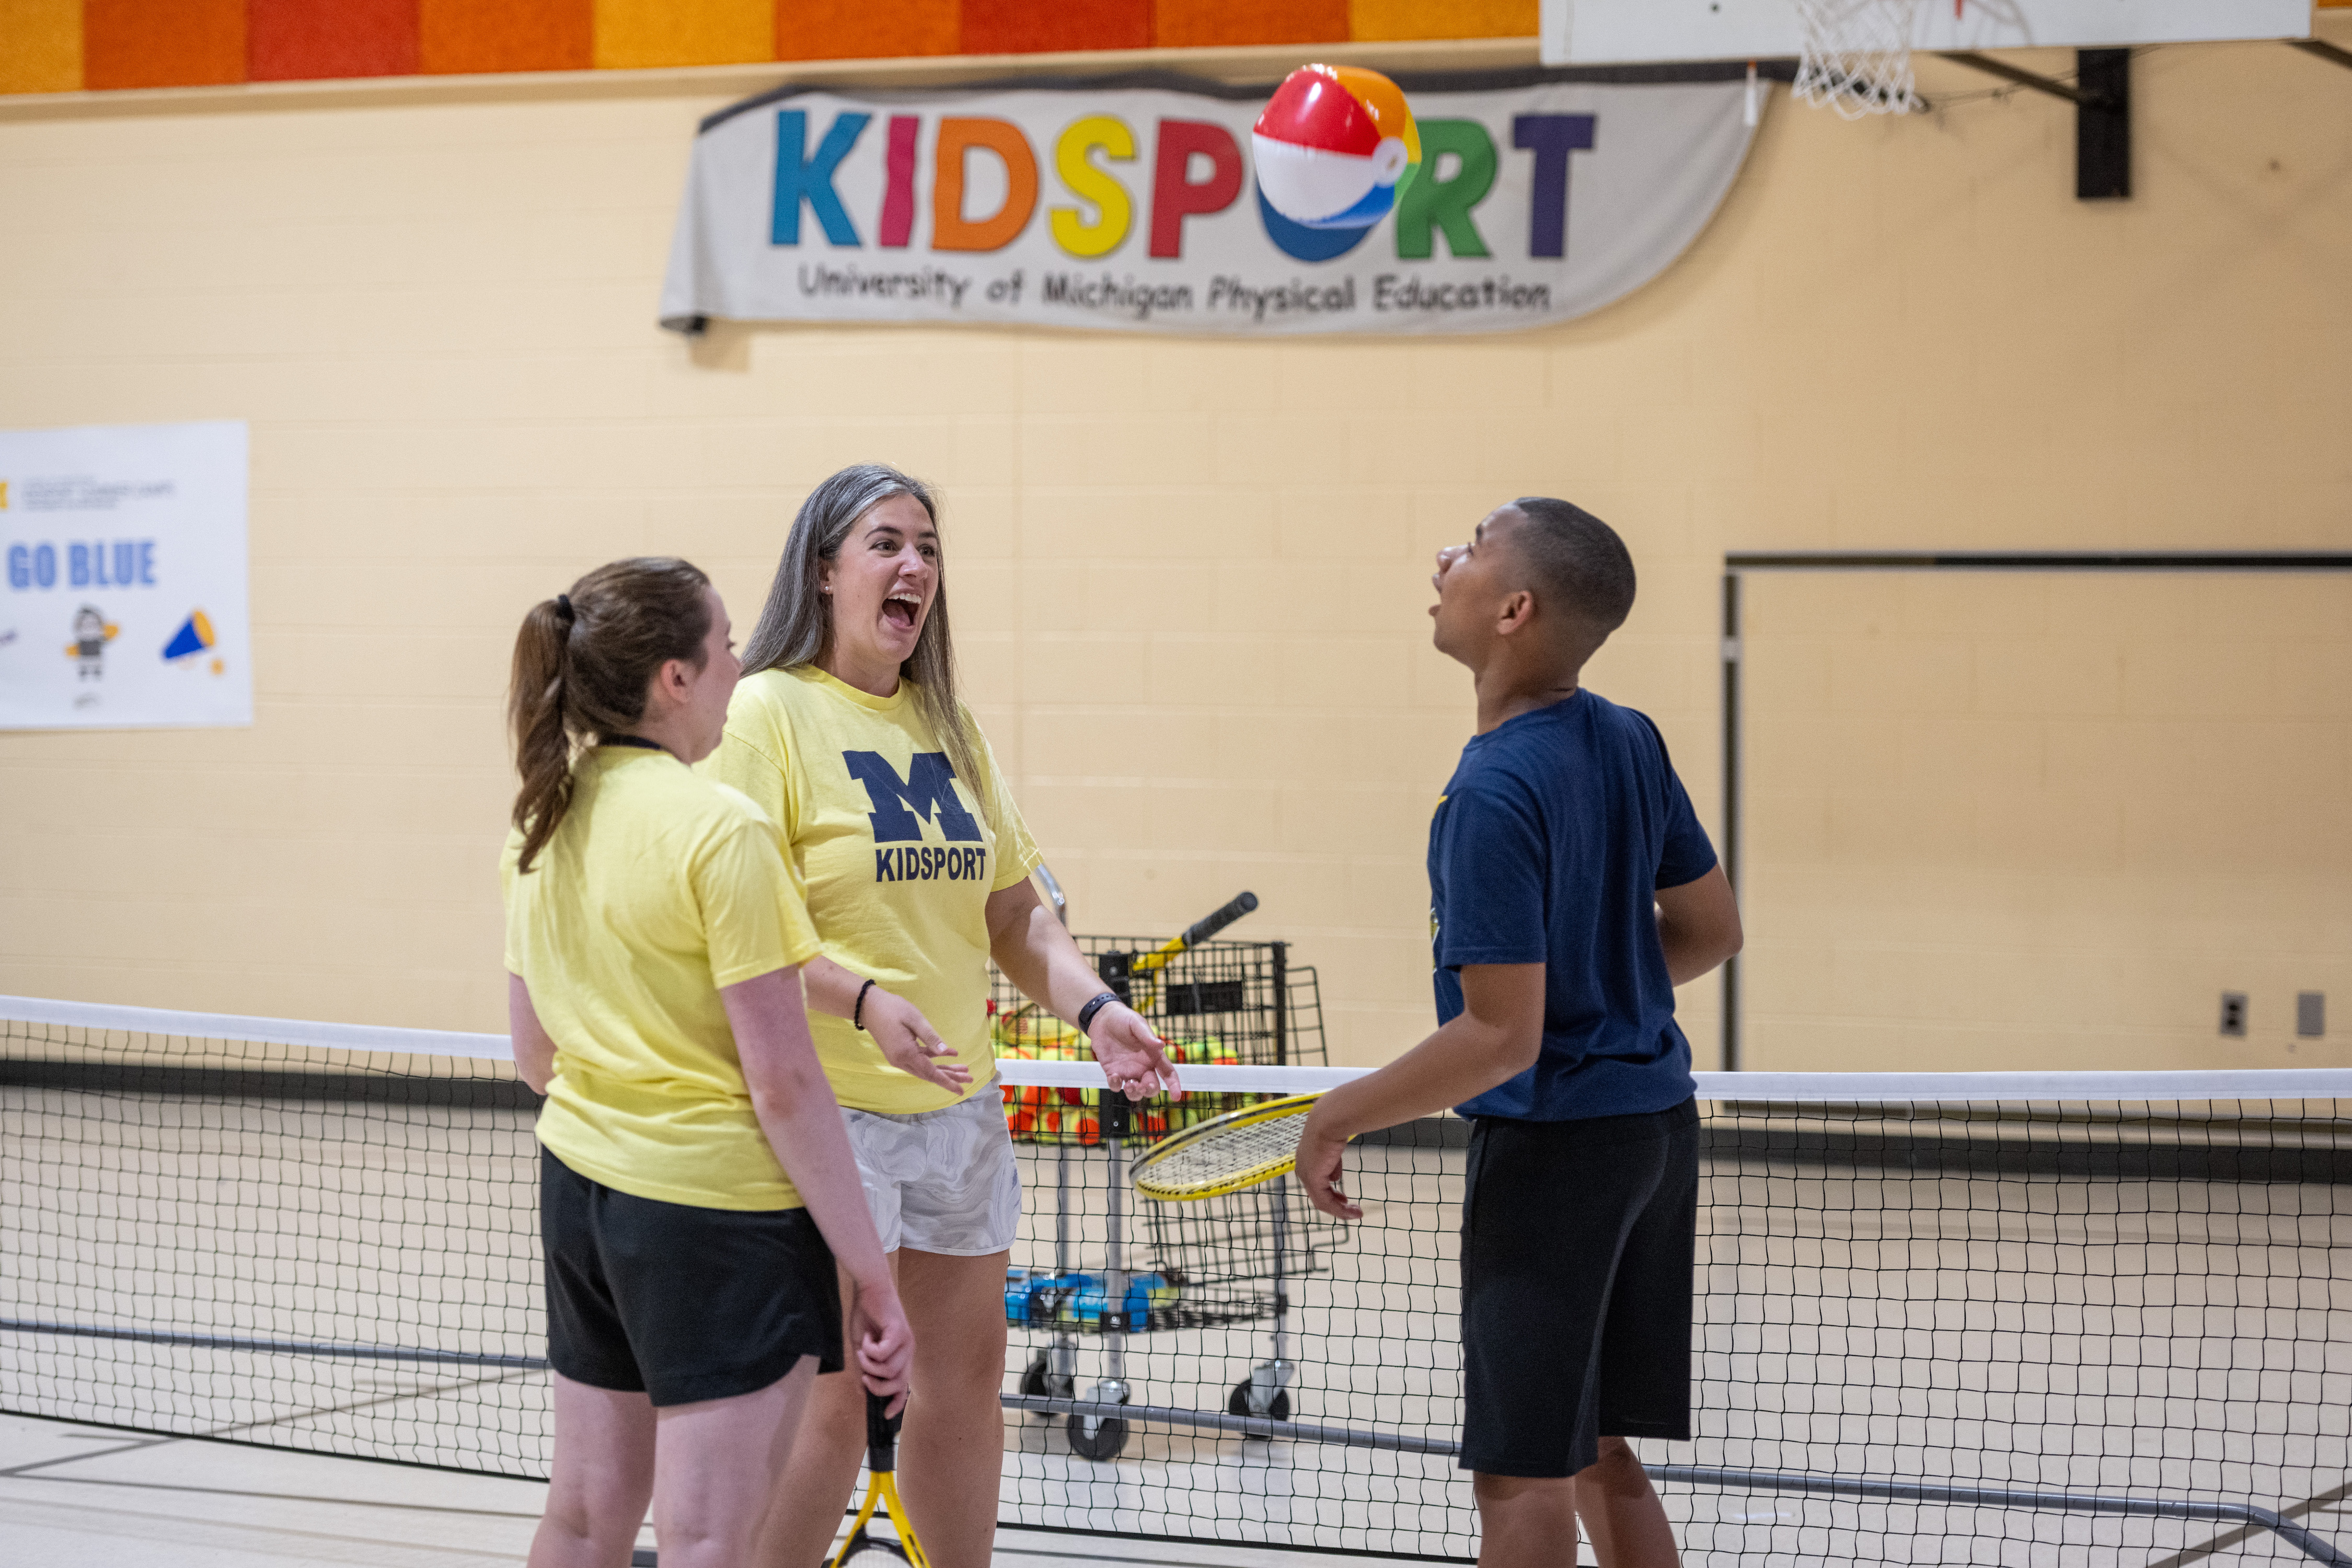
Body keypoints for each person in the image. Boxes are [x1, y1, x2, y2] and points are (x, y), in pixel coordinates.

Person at [703, 464, 1180, 1568]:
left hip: (960, 1115)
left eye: (927, 546)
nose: (915, 563)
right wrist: (864, 1004)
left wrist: (1096, 1008)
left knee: (962, 1389)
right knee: (831, 1405)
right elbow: (745, 924)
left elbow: (1015, 912)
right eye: (886, 543)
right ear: (824, 572)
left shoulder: (947, 722)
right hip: (826, 1116)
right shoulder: (767, 710)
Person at [1294, 500, 1743, 1568]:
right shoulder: (1629, 738)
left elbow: (1501, 1039)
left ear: (1513, 607)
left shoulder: (1493, 791)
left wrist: (1336, 1114)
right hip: (1655, 1135)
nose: (1445, 554)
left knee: (1522, 1477)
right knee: (1592, 1447)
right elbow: (1712, 930)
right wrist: (1592, 988)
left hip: (1558, 1156)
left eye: (1473, 545)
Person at [500, 556, 914, 1568]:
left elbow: (533, 1053)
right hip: (717, 1225)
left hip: (582, 1199)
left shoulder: (545, 813)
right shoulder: (721, 831)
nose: (739, 664)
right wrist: (871, 1274)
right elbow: (783, 1083)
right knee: (711, 1540)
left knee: (585, 1516)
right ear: (674, 680)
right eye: (725, 645)